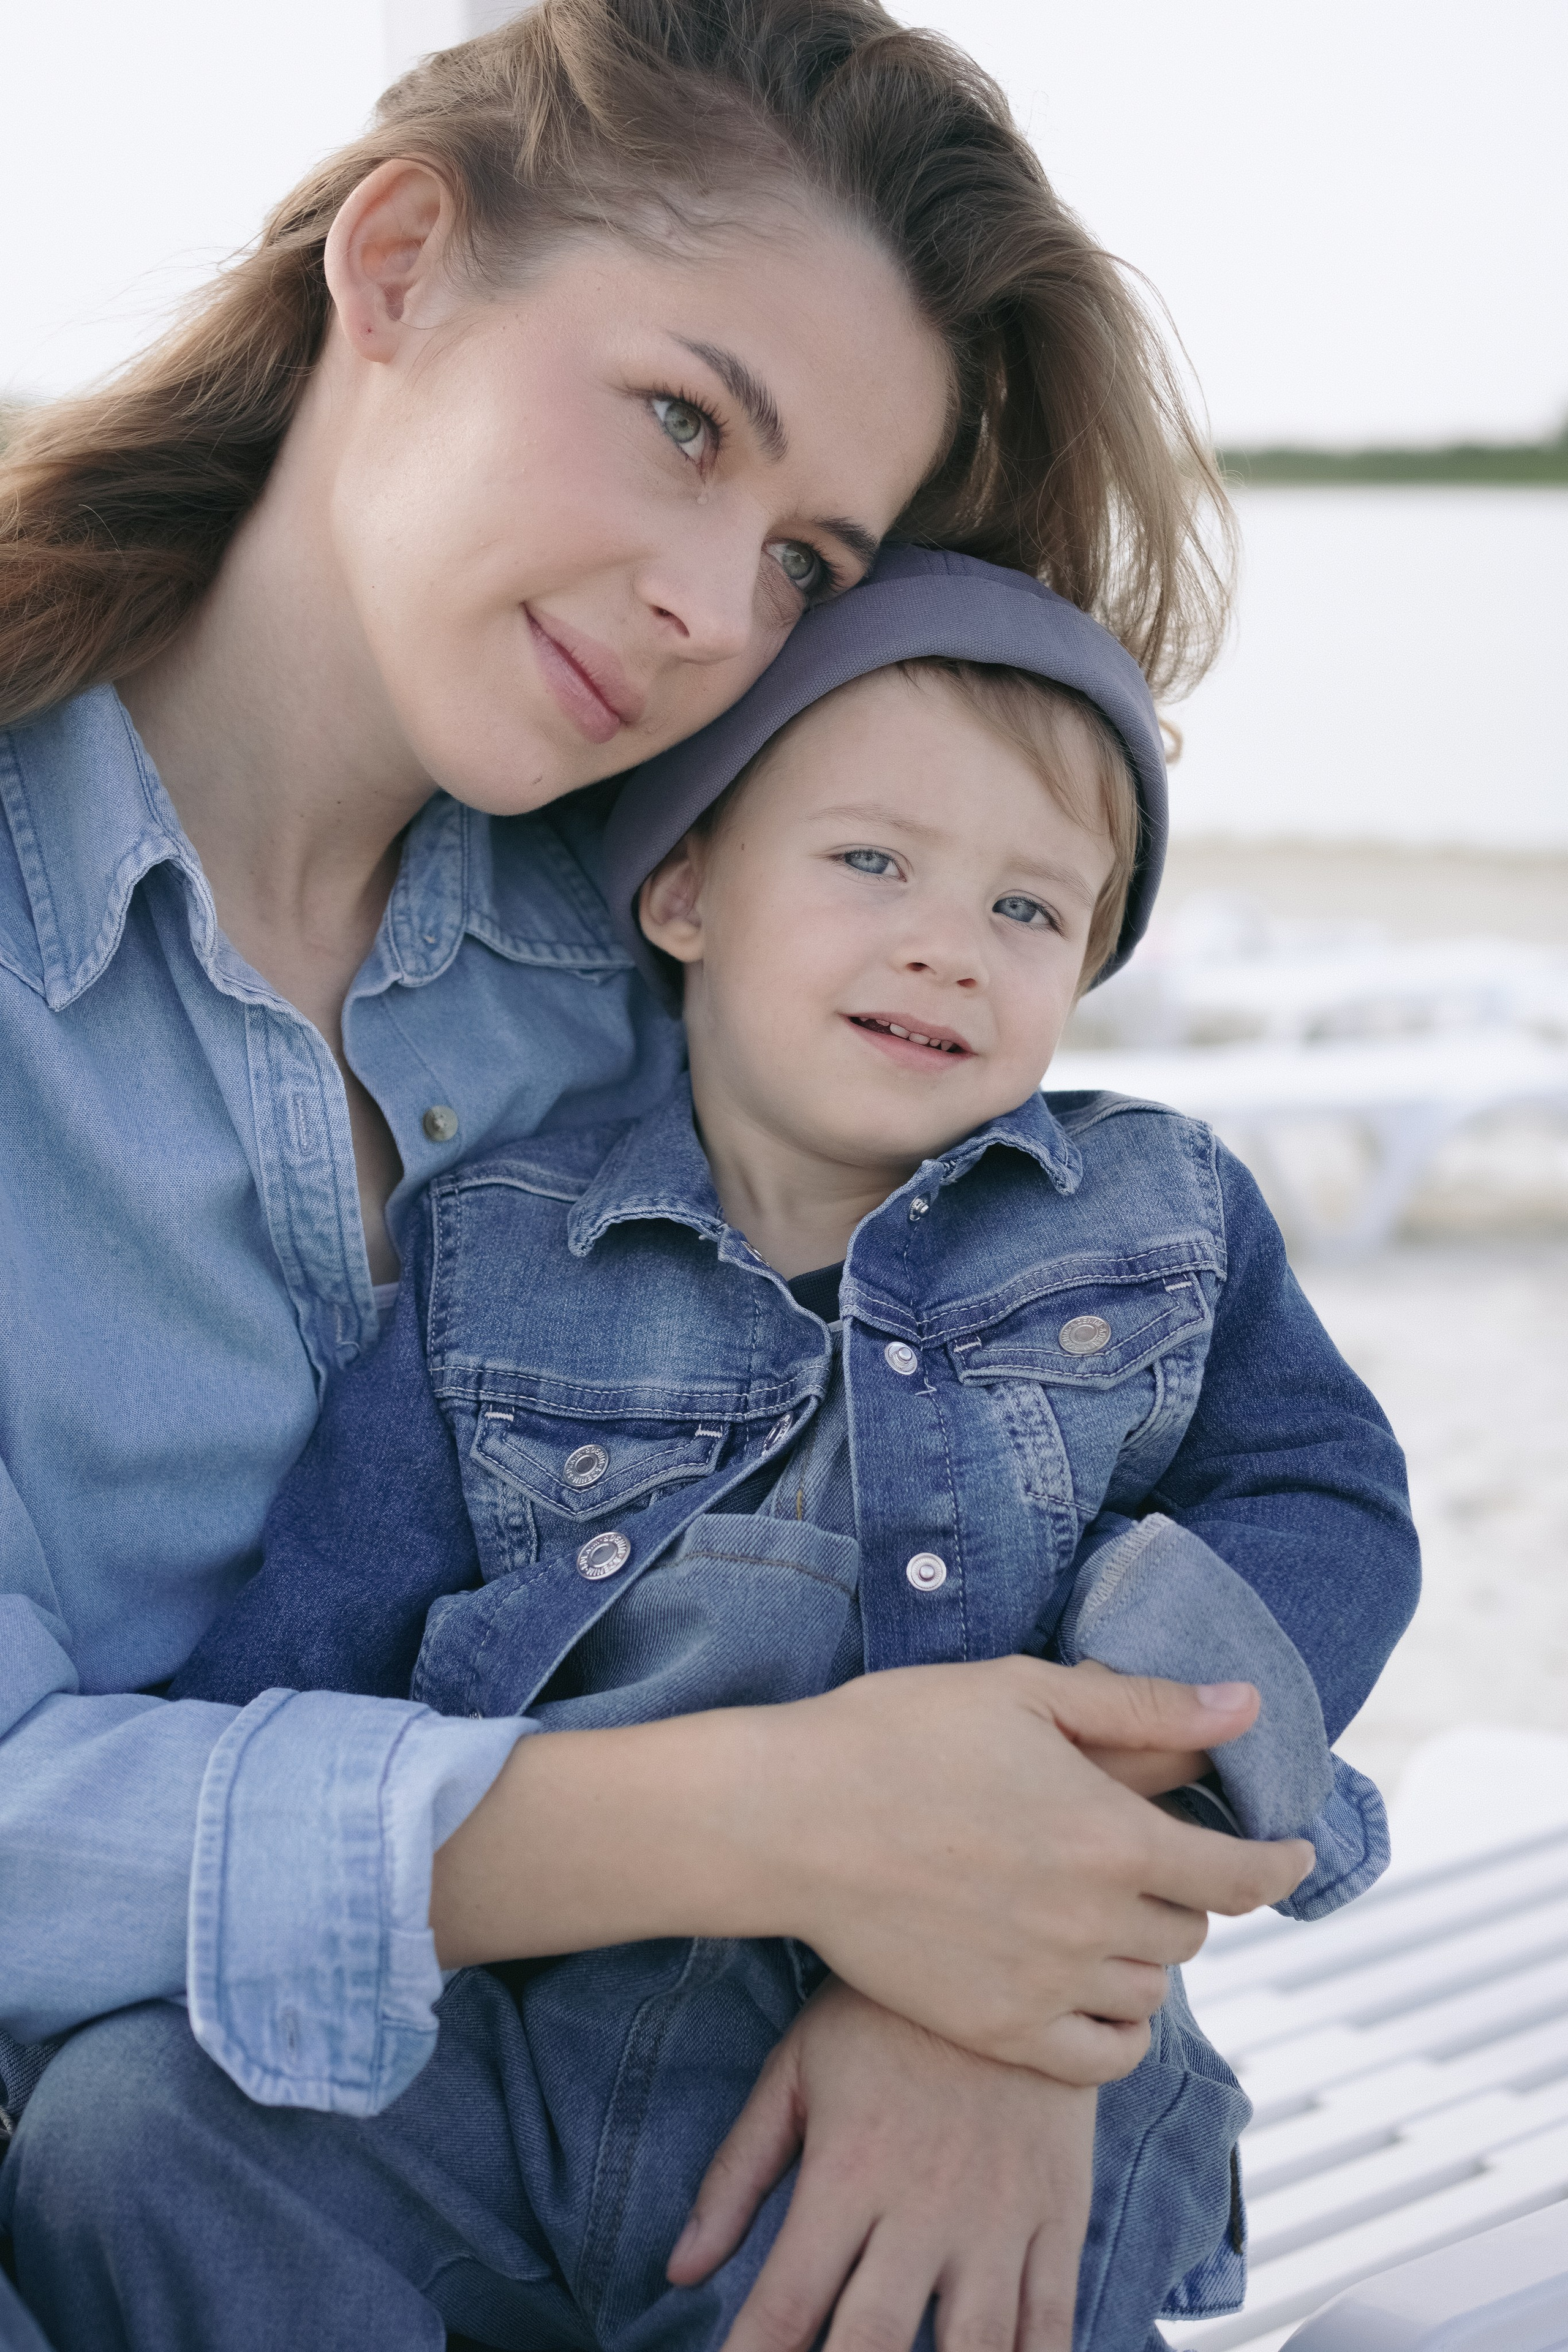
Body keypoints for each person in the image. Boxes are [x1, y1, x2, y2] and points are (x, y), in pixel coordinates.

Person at [0, 2, 1299, 2343]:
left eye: (809, 554)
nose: (720, 606)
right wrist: (801, 1829)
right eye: (683, 422)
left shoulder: (707, 943)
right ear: (398, 264)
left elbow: (1077, 1446)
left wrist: (995, 1990)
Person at [57, 545, 1421, 2352]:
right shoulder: (498, 1256)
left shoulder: (1154, 1221)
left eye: (1034, 912)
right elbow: (322, 1630)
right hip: (522, 2049)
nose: (948, 940)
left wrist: (1112, 1818)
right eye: (872, 862)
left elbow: (1325, 1501)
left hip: (981, 2051)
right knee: (126, 2137)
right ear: (687, 886)